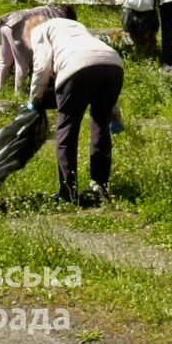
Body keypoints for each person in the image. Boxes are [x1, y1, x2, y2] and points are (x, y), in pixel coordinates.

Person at [25, 16, 124, 204]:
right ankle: (100, 185)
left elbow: (41, 66)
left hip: (76, 68)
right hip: (113, 64)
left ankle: (68, 191)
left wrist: (34, 100)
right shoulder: (76, 27)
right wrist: (115, 114)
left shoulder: (38, 31)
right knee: (101, 126)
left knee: (67, 130)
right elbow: (97, 61)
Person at [0, 5, 76, 94]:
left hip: (6, 23)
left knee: (4, 61)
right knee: (22, 64)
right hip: (19, 25)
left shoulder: (49, 9)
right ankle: (20, 94)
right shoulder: (60, 17)